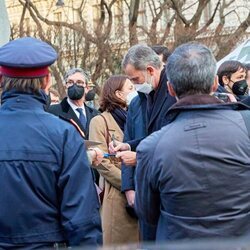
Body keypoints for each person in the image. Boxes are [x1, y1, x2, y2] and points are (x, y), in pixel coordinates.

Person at [135, 42, 250, 241]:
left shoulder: (151, 147)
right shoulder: (246, 125)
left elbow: (147, 214)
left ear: (170, 89)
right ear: (215, 83)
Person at [0, 37, 102, 248]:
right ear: (47, 81)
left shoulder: (63, 134)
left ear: (1, 81)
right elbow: (82, 219)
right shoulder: (63, 134)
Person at [121, 44, 172, 214]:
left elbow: (171, 140)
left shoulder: (172, 90)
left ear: (150, 70)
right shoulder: (147, 93)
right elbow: (154, 136)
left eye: (135, 80)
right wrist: (130, 146)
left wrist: (139, 158)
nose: (134, 86)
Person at [89, 75, 139, 245]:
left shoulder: (138, 117)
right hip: (117, 197)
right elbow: (101, 161)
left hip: (141, 196)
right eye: (131, 88)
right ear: (118, 94)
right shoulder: (99, 121)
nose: (135, 91)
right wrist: (128, 183)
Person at [48, 67, 99, 139]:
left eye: (79, 82)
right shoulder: (52, 112)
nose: (74, 86)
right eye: (70, 82)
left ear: (87, 88)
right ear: (66, 87)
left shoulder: (96, 114)